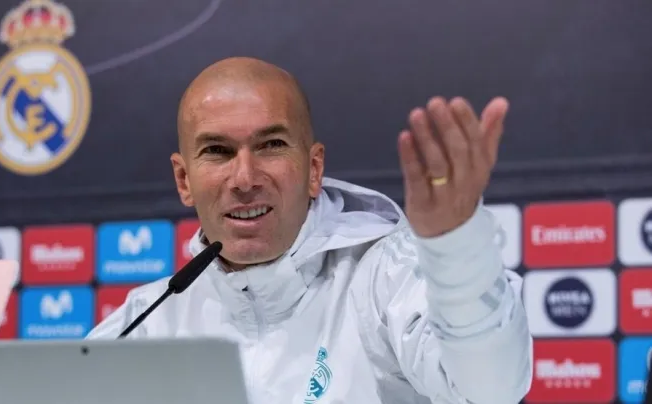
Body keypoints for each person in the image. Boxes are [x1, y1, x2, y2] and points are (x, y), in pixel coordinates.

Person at [87, 56, 533, 404]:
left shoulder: (388, 277)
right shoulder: (145, 321)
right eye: (218, 151)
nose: (244, 178)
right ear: (184, 180)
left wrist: (457, 250)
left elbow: (489, 390)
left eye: (271, 145)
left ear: (314, 168)